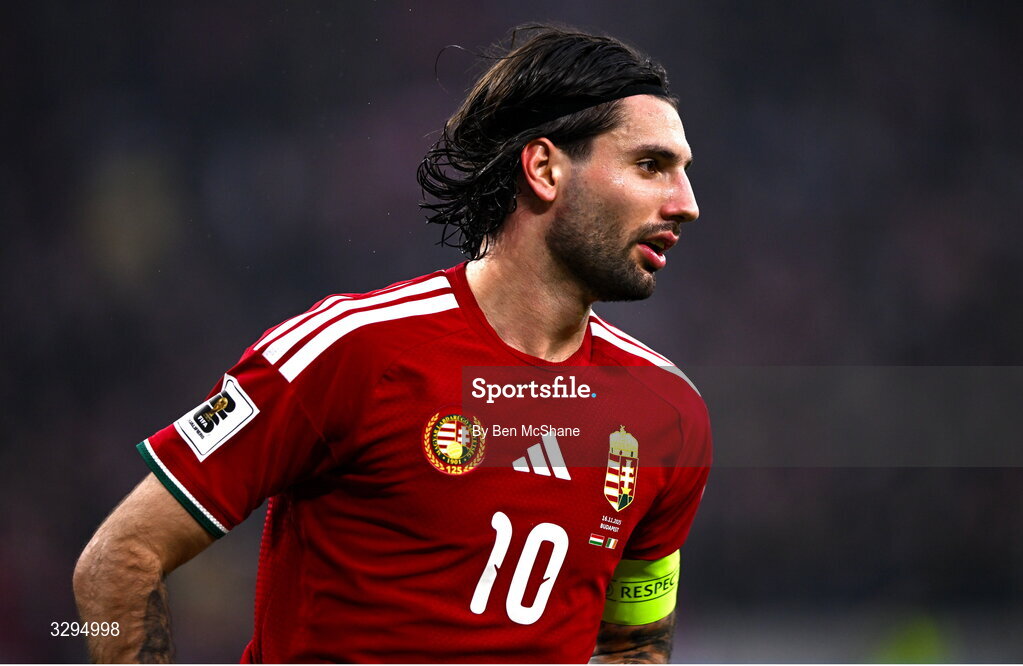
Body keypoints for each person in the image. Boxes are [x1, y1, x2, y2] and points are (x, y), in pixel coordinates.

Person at [73, 24, 711, 663]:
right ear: (544, 169)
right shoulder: (352, 350)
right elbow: (119, 559)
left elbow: (635, 644)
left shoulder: (668, 414)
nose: (686, 204)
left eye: (683, 173)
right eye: (650, 166)